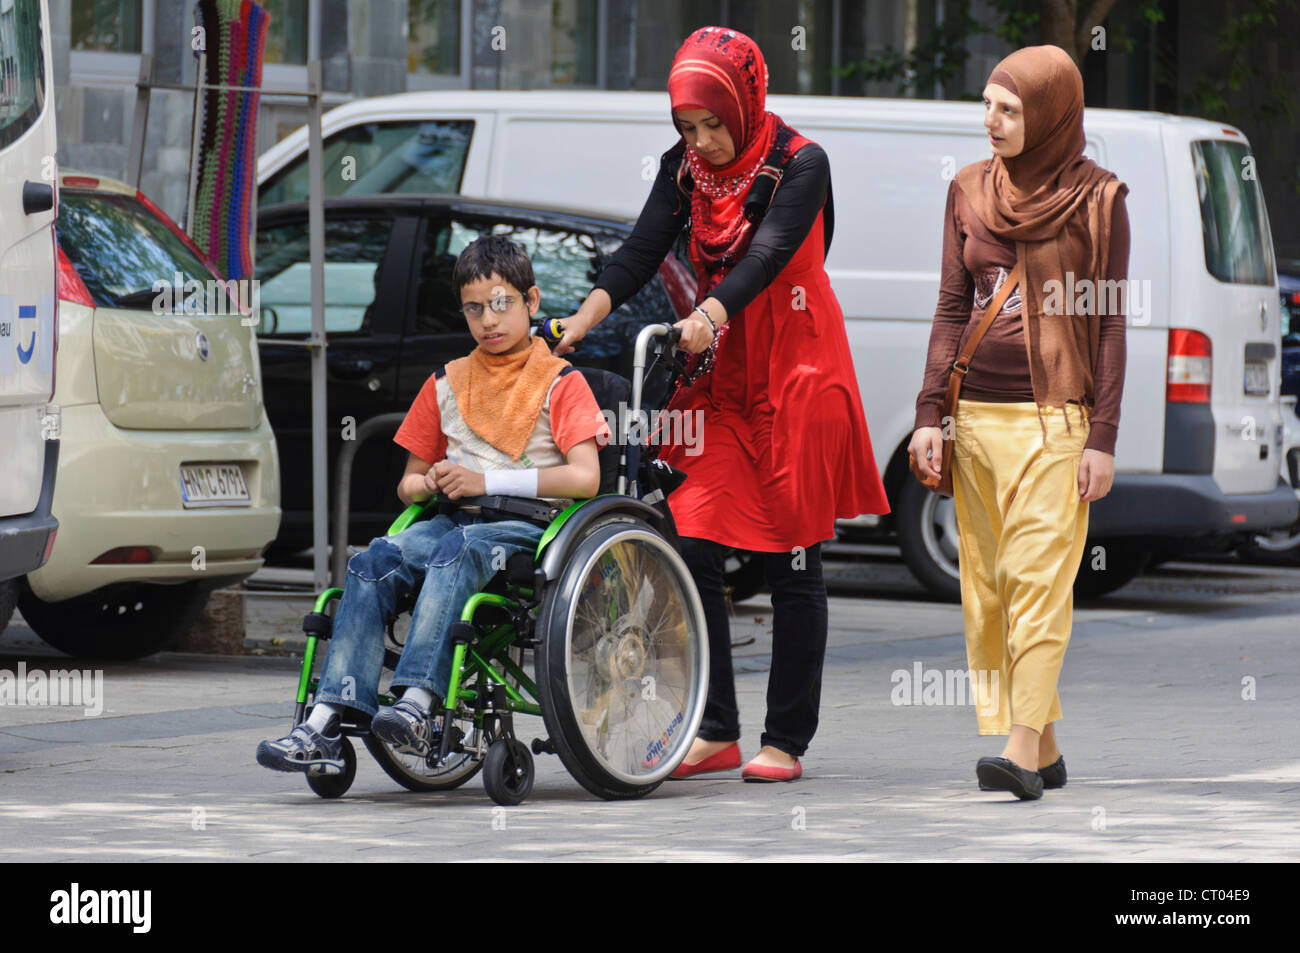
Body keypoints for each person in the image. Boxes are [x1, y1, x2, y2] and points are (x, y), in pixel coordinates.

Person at [555, 26, 889, 782]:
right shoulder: (684, 170)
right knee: (690, 535)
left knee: (792, 553)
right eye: (687, 126)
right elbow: (642, 248)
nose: (701, 142)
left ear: (746, 104)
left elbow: (769, 255)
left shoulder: (802, 162)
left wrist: (709, 313)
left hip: (794, 363)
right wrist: (586, 316)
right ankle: (717, 727)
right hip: (720, 371)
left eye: (714, 124)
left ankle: (787, 739)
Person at [256, 235, 610, 773]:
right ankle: (327, 719)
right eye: (474, 308)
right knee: (372, 560)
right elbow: (408, 486)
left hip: (530, 528)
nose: (488, 320)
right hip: (452, 517)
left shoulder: (561, 384)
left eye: (501, 303)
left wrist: (486, 481)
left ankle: (419, 702)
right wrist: (437, 482)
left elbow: (586, 478)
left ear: (531, 302)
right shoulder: (446, 383)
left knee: (457, 549)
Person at [908, 46, 1130, 800]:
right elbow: (948, 307)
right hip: (974, 421)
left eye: (1010, 108)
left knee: (1038, 582)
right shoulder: (968, 189)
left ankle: (1022, 749)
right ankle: (1050, 739)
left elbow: (1109, 327)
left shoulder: (1101, 200)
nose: (992, 121)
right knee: (993, 590)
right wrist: (928, 413)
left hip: (1054, 424)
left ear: (1050, 113)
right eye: (988, 105)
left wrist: (1102, 437)